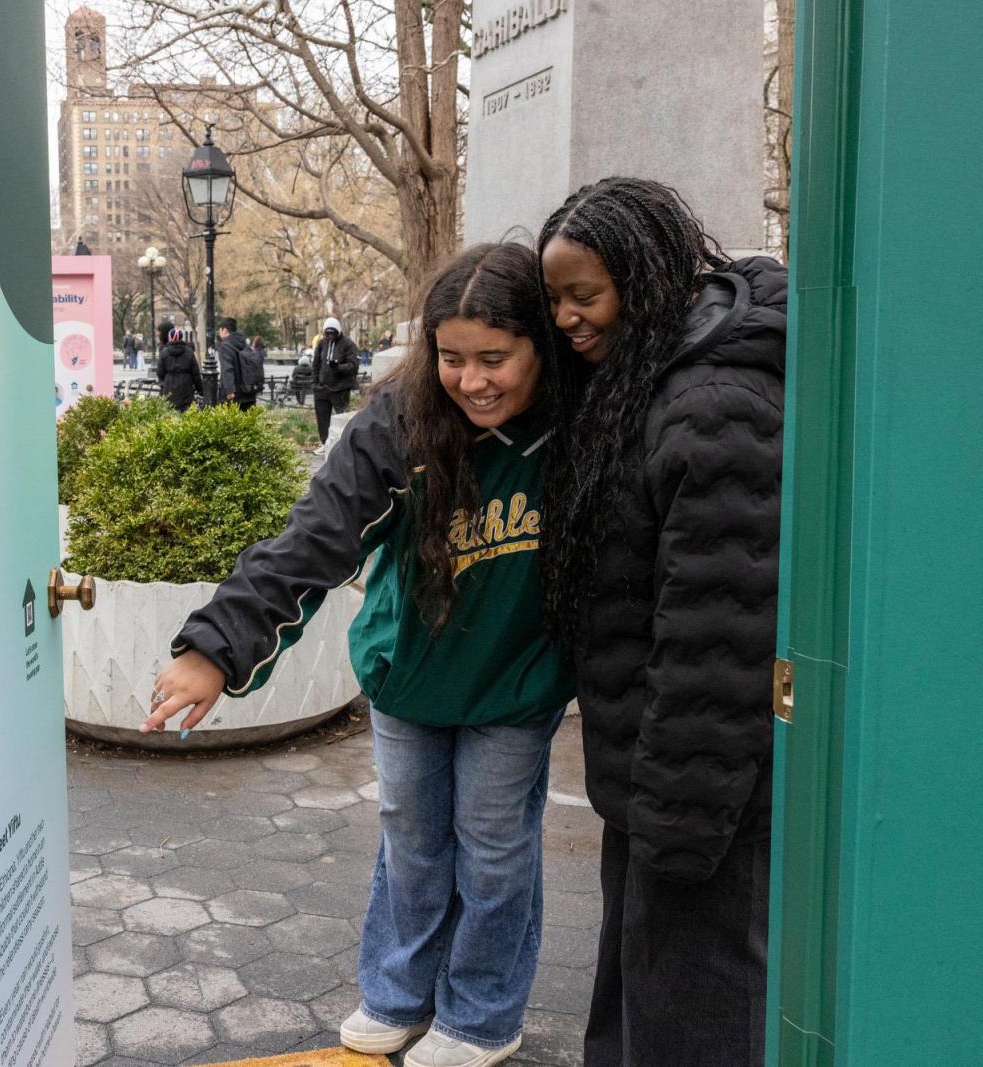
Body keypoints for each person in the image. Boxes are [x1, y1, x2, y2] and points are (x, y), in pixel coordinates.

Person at [144, 244, 577, 1067]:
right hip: (409, 672)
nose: (474, 379)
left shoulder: (575, 424)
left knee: (493, 848)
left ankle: (482, 1015)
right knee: (413, 837)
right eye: (452, 358)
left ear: (537, 350)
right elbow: (314, 537)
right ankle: (397, 992)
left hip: (515, 683)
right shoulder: (399, 422)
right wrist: (216, 646)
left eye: (496, 358)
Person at [537, 176, 785, 1067]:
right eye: (555, 298)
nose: (566, 318)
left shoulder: (712, 404)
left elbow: (718, 639)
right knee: (641, 1000)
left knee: (696, 1014)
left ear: (643, 278)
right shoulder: (653, 371)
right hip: (654, 786)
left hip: (697, 799)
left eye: (584, 295)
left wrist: (676, 828)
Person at [312, 316, 360, 455]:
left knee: (342, 417)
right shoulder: (322, 344)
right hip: (322, 388)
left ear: (338, 332)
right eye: (327, 333)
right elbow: (316, 364)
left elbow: (353, 366)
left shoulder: (348, 344)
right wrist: (315, 383)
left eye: (333, 333)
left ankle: (344, 445)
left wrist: (338, 367)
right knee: (322, 418)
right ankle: (325, 443)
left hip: (340, 388)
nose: (330, 336)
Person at [155, 326, 202, 411]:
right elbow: (195, 373)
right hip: (186, 387)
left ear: (170, 338)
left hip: (169, 387)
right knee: (186, 414)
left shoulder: (165, 352)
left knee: (170, 413)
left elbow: (159, 372)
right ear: (181, 338)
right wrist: (200, 389)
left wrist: (163, 384)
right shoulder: (189, 352)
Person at [215, 317, 258, 411]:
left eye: (220, 331)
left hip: (233, 396)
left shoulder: (224, 346)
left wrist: (229, 391)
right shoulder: (244, 344)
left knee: (228, 424)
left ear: (225, 330)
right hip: (248, 393)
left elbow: (227, 369)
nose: (219, 333)